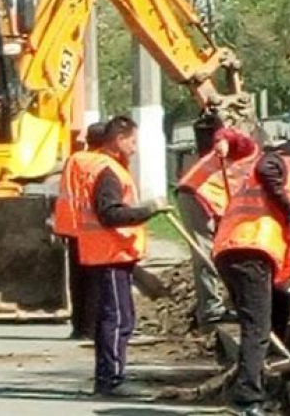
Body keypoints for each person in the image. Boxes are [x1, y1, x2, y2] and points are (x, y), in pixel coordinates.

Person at [79, 115, 169, 398]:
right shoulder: (108, 172)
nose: (134, 147)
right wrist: (148, 210)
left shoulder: (109, 167)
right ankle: (111, 380)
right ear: (119, 140)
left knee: (117, 317)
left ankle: (109, 376)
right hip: (110, 253)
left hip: (111, 253)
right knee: (117, 319)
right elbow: (110, 214)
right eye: (132, 141)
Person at [213, 143, 290, 416]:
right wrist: (289, 204)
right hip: (250, 252)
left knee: (252, 325)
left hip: (233, 251)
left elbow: (283, 258)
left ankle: (247, 386)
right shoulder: (278, 163)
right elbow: (267, 165)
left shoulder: (255, 189)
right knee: (257, 329)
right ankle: (247, 398)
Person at [177, 120, 259, 327]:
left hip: (213, 202)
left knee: (221, 252)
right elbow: (226, 134)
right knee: (205, 254)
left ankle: (222, 303)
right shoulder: (248, 149)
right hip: (197, 195)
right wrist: (221, 140)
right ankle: (210, 310)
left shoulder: (260, 164)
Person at [53, 122, 107, 340]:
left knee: (77, 279)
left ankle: (79, 327)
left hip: (71, 226)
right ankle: (91, 328)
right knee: (95, 279)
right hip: (93, 228)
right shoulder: (102, 163)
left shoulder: (74, 160)